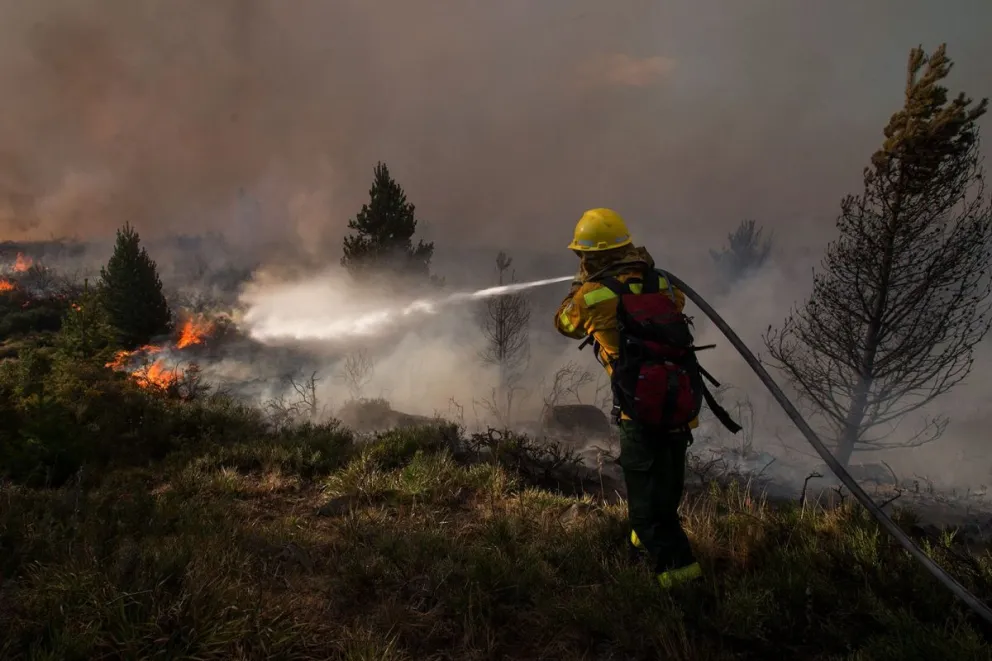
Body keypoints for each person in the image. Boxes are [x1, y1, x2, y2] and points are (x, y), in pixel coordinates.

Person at [553, 207, 704, 589]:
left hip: (639, 413)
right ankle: (641, 552)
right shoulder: (665, 285)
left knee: (647, 512)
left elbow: (565, 324)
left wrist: (579, 285)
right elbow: (678, 305)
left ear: (592, 256)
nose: (580, 260)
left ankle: (683, 590)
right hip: (679, 408)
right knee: (664, 496)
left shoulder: (592, 296)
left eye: (582, 255)